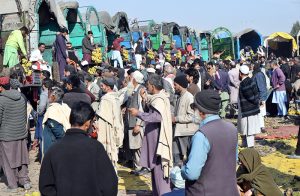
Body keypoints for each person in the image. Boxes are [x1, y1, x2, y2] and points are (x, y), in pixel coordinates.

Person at [39, 102, 118, 196]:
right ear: (88, 123)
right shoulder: (96, 148)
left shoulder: (53, 150)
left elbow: (45, 187)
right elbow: (110, 184)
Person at [181, 90, 239, 196]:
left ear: (201, 112)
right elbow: (233, 160)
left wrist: (181, 169)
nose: (193, 112)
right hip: (229, 191)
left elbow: (192, 173)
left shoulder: (201, 135)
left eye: (194, 109)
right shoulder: (232, 128)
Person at [128, 74, 173, 196]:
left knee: (159, 170)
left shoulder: (160, 99)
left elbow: (156, 117)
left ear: (152, 86)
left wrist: (138, 113)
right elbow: (152, 110)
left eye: (148, 86)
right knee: (154, 169)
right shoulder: (156, 98)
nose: (147, 88)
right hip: (153, 137)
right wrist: (144, 100)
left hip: (158, 138)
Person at [0, 76, 31, 191]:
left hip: (7, 135)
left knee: (8, 161)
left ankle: (13, 185)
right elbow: (24, 116)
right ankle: (25, 181)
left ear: (1, 87)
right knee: (22, 160)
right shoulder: (21, 98)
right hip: (21, 133)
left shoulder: (1, 100)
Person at [95, 77, 124, 170]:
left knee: (107, 153)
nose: (101, 87)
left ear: (108, 87)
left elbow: (102, 116)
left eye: (102, 86)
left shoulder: (106, 99)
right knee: (112, 154)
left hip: (107, 129)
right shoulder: (115, 97)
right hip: (115, 129)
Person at [172, 75, 198, 166]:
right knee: (176, 156)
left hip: (185, 133)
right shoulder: (179, 96)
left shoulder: (189, 97)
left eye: (175, 85)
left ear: (180, 85)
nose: (174, 87)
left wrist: (176, 118)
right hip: (178, 131)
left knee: (186, 157)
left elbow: (192, 116)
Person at [127, 71, 147, 175]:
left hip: (136, 123)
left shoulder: (141, 90)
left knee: (139, 147)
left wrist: (138, 124)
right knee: (135, 147)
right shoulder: (134, 90)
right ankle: (137, 167)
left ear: (134, 79)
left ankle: (141, 167)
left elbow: (142, 109)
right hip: (132, 122)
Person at [42, 87, 71, 157]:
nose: (48, 96)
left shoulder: (52, 110)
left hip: (55, 145)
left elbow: (58, 131)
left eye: (50, 94)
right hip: (67, 140)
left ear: (53, 97)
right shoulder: (66, 106)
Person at [238, 65, 261, 147]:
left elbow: (250, 96)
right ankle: (245, 143)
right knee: (245, 128)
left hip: (248, 110)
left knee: (249, 129)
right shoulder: (251, 80)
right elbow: (257, 94)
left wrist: (255, 101)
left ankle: (250, 146)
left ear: (240, 74)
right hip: (252, 109)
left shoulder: (244, 83)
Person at [252, 63, 268, 132]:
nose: (251, 67)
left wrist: (262, 99)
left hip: (259, 97)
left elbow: (261, 87)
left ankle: (261, 126)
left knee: (260, 112)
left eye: (253, 65)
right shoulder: (257, 74)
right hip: (257, 96)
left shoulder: (258, 75)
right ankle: (259, 126)